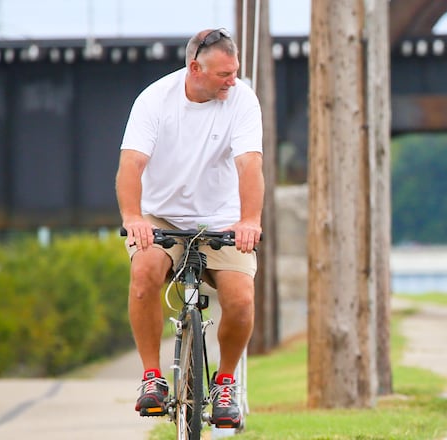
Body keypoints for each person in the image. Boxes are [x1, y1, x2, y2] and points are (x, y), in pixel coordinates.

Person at [115, 28, 263, 429]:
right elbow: (131, 165)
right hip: (161, 217)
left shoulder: (242, 99)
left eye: (234, 72)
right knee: (144, 274)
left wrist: (249, 220)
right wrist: (133, 218)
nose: (232, 81)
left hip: (222, 218)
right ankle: (152, 378)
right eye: (223, 74)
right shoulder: (154, 100)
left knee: (242, 300)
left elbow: (250, 164)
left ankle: (225, 383)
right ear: (195, 68)